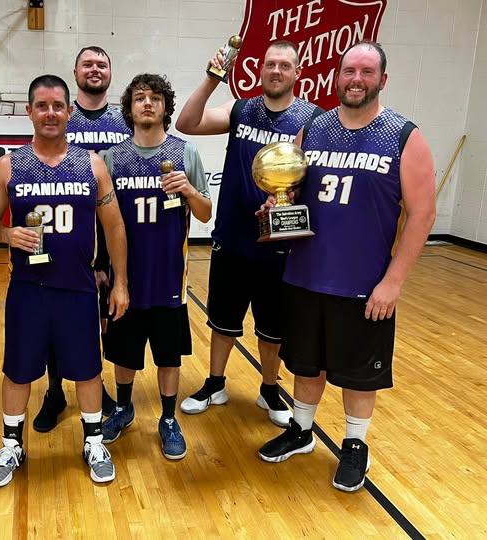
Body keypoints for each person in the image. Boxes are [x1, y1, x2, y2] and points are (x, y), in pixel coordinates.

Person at [257, 41, 436, 492]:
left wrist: (393, 282)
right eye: (349, 71)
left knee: (359, 373)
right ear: (337, 77)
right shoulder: (314, 128)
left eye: (366, 72)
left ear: (382, 80)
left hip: (364, 284)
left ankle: (355, 446)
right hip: (305, 274)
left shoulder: (403, 135)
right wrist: (277, 207)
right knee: (305, 364)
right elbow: (292, 190)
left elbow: (423, 215)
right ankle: (302, 431)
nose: (356, 80)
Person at [0, 74, 129, 486]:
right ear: (29, 111)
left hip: (78, 288)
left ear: (69, 112)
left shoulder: (92, 164)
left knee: (88, 370)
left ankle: (93, 441)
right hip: (28, 289)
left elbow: (114, 226)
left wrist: (120, 283)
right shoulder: (8, 166)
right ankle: (11, 445)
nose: (50, 113)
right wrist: (6, 234)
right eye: (42, 106)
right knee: (18, 371)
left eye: (57, 106)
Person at [175, 41, 323, 426]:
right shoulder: (241, 109)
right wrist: (213, 79)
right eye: (270, 64)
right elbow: (186, 123)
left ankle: (269, 389)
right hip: (232, 236)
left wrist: (288, 200)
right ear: (260, 70)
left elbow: (313, 179)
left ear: (297, 73)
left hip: (281, 244)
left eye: (285, 65)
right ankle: (215, 383)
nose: (276, 71)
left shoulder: (312, 120)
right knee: (222, 322)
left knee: (273, 329)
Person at [99, 74, 212, 459]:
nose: (147, 103)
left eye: (155, 98)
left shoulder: (185, 153)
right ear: (129, 109)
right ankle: (123, 407)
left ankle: (167, 418)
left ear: (166, 107)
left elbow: (205, 212)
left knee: (168, 355)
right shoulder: (112, 159)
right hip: (126, 279)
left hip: (169, 278)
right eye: (139, 98)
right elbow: (102, 221)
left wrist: (189, 190)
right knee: (123, 353)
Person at [33, 46, 132, 433]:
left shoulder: (124, 120)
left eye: (102, 64)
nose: (95, 69)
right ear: (75, 72)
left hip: (112, 227)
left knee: (105, 320)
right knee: (56, 319)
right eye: (88, 64)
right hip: (66, 233)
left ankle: (97, 383)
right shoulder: (60, 115)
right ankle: (55, 391)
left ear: (110, 73)